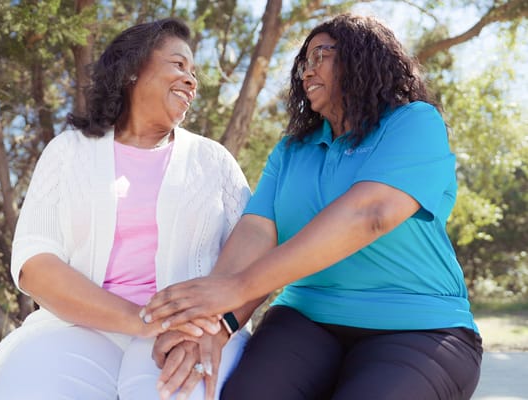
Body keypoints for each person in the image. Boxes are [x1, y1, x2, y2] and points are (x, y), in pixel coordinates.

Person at [141, 13, 483, 400]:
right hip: (307, 319)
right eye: (304, 61)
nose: (307, 70)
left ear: (363, 57)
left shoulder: (413, 122)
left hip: (419, 326)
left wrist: (235, 289)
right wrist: (214, 324)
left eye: (321, 54)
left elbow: (369, 214)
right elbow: (257, 230)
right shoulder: (292, 149)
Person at [0, 18, 250, 400]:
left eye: (194, 72)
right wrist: (141, 321)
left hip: (189, 333)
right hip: (78, 329)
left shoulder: (214, 161)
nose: (192, 81)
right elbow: (34, 264)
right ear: (132, 70)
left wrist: (216, 325)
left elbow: (253, 259)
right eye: (179, 65)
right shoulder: (68, 152)